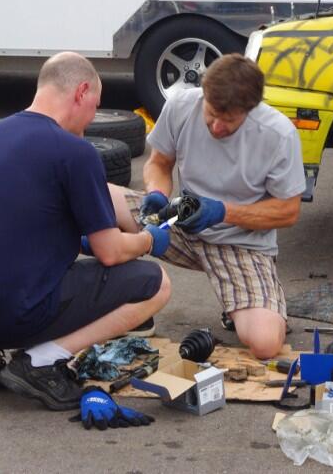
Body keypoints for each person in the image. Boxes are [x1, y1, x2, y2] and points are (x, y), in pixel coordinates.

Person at [0, 52, 172, 411]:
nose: (93, 118)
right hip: (11, 312)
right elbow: (111, 252)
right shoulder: (76, 152)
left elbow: (9, 222)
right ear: (82, 92)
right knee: (156, 283)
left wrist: (73, 240)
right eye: (96, 105)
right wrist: (150, 239)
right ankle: (41, 362)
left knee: (3, 267)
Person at [108, 53, 305, 360]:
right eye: (211, 114)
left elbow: (288, 211)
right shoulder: (182, 105)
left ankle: (249, 304)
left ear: (250, 111)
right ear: (205, 95)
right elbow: (159, 162)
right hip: (179, 217)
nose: (216, 127)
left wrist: (223, 212)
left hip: (240, 243)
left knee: (266, 344)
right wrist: (157, 194)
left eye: (229, 121)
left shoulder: (278, 134)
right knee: (97, 196)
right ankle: (121, 299)